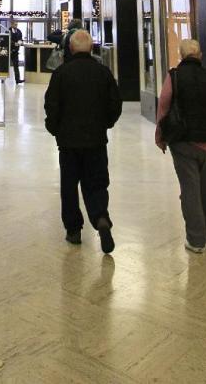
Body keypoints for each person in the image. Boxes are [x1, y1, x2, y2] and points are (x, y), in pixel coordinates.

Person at [154, 38, 206, 253]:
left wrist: (160, 136)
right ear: (200, 56)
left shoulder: (173, 77)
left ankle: (196, 239)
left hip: (184, 143)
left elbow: (163, 108)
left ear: (181, 56)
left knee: (190, 190)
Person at [44, 28, 122, 253]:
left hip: (68, 142)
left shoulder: (61, 74)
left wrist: (55, 128)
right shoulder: (103, 73)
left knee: (69, 186)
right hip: (96, 140)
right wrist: (106, 124)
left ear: (70, 48)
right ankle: (100, 218)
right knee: (96, 182)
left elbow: (52, 105)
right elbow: (115, 104)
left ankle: (73, 229)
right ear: (91, 48)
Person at [9, 19, 23, 85]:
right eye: (15, 24)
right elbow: (8, 39)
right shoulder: (8, 31)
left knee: (16, 66)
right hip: (9, 52)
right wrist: (14, 43)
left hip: (15, 52)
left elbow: (20, 38)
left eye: (17, 24)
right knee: (5, 66)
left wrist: (20, 42)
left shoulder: (19, 31)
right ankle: (3, 79)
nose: (16, 25)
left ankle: (17, 80)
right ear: (11, 24)